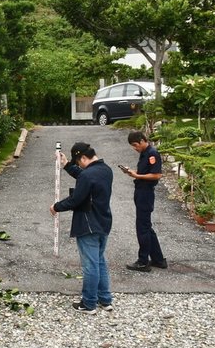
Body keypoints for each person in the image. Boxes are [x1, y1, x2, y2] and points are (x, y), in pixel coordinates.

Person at [50, 142, 114, 314]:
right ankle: (105, 299)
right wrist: (67, 166)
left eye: (78, 163)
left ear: (83, 158)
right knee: (99, 261)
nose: (79, 166)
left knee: (90, 265)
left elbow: (76, 199)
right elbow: (85, 176)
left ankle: (89, 303)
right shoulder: (106, 170)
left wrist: (57, 206)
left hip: (88, 225)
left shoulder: (88, 175)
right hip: (103, 222)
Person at [122, 130, 168, 272]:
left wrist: (137, 175)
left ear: (142, 140)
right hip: (141, 191)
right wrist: (133, 172)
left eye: (136, 145)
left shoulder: (152, 153)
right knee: (146, 227)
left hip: (146, 193)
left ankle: (143, 261)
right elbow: (144, 171)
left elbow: (157, 175)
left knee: (142, 228)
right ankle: (158, 259)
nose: (135, 148)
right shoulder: (144, 153)